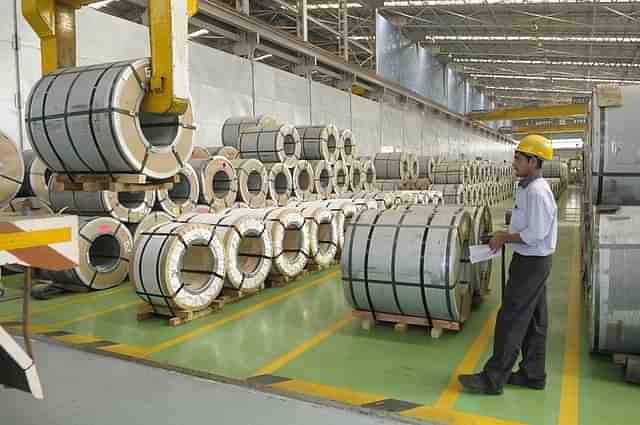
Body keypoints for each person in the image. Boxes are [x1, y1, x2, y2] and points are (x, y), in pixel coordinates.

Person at [458, 134, 558, 395]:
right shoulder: (525, 187)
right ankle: (533, 374)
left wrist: (505, 238)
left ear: (534, 162)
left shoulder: (537, 192)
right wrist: (501, 235)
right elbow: (525, 227)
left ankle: (493, 379)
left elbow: (535, 233)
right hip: (533, 260)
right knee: (535, 321)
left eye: (519, 158)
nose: (514, 162)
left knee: (510, 318)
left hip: (531, 263)